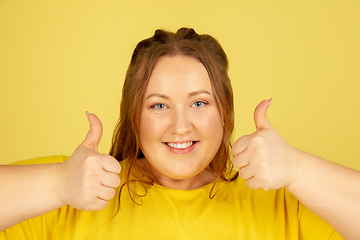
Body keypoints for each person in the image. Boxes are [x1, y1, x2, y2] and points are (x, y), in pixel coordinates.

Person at [0, 27, 359, 240]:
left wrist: (300, 169)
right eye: (158, 105)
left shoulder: (281, 203)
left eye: (199, 103)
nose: (180, 126)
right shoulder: (70, 193)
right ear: (134, 115)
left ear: (225, 112)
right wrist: (56, 183)